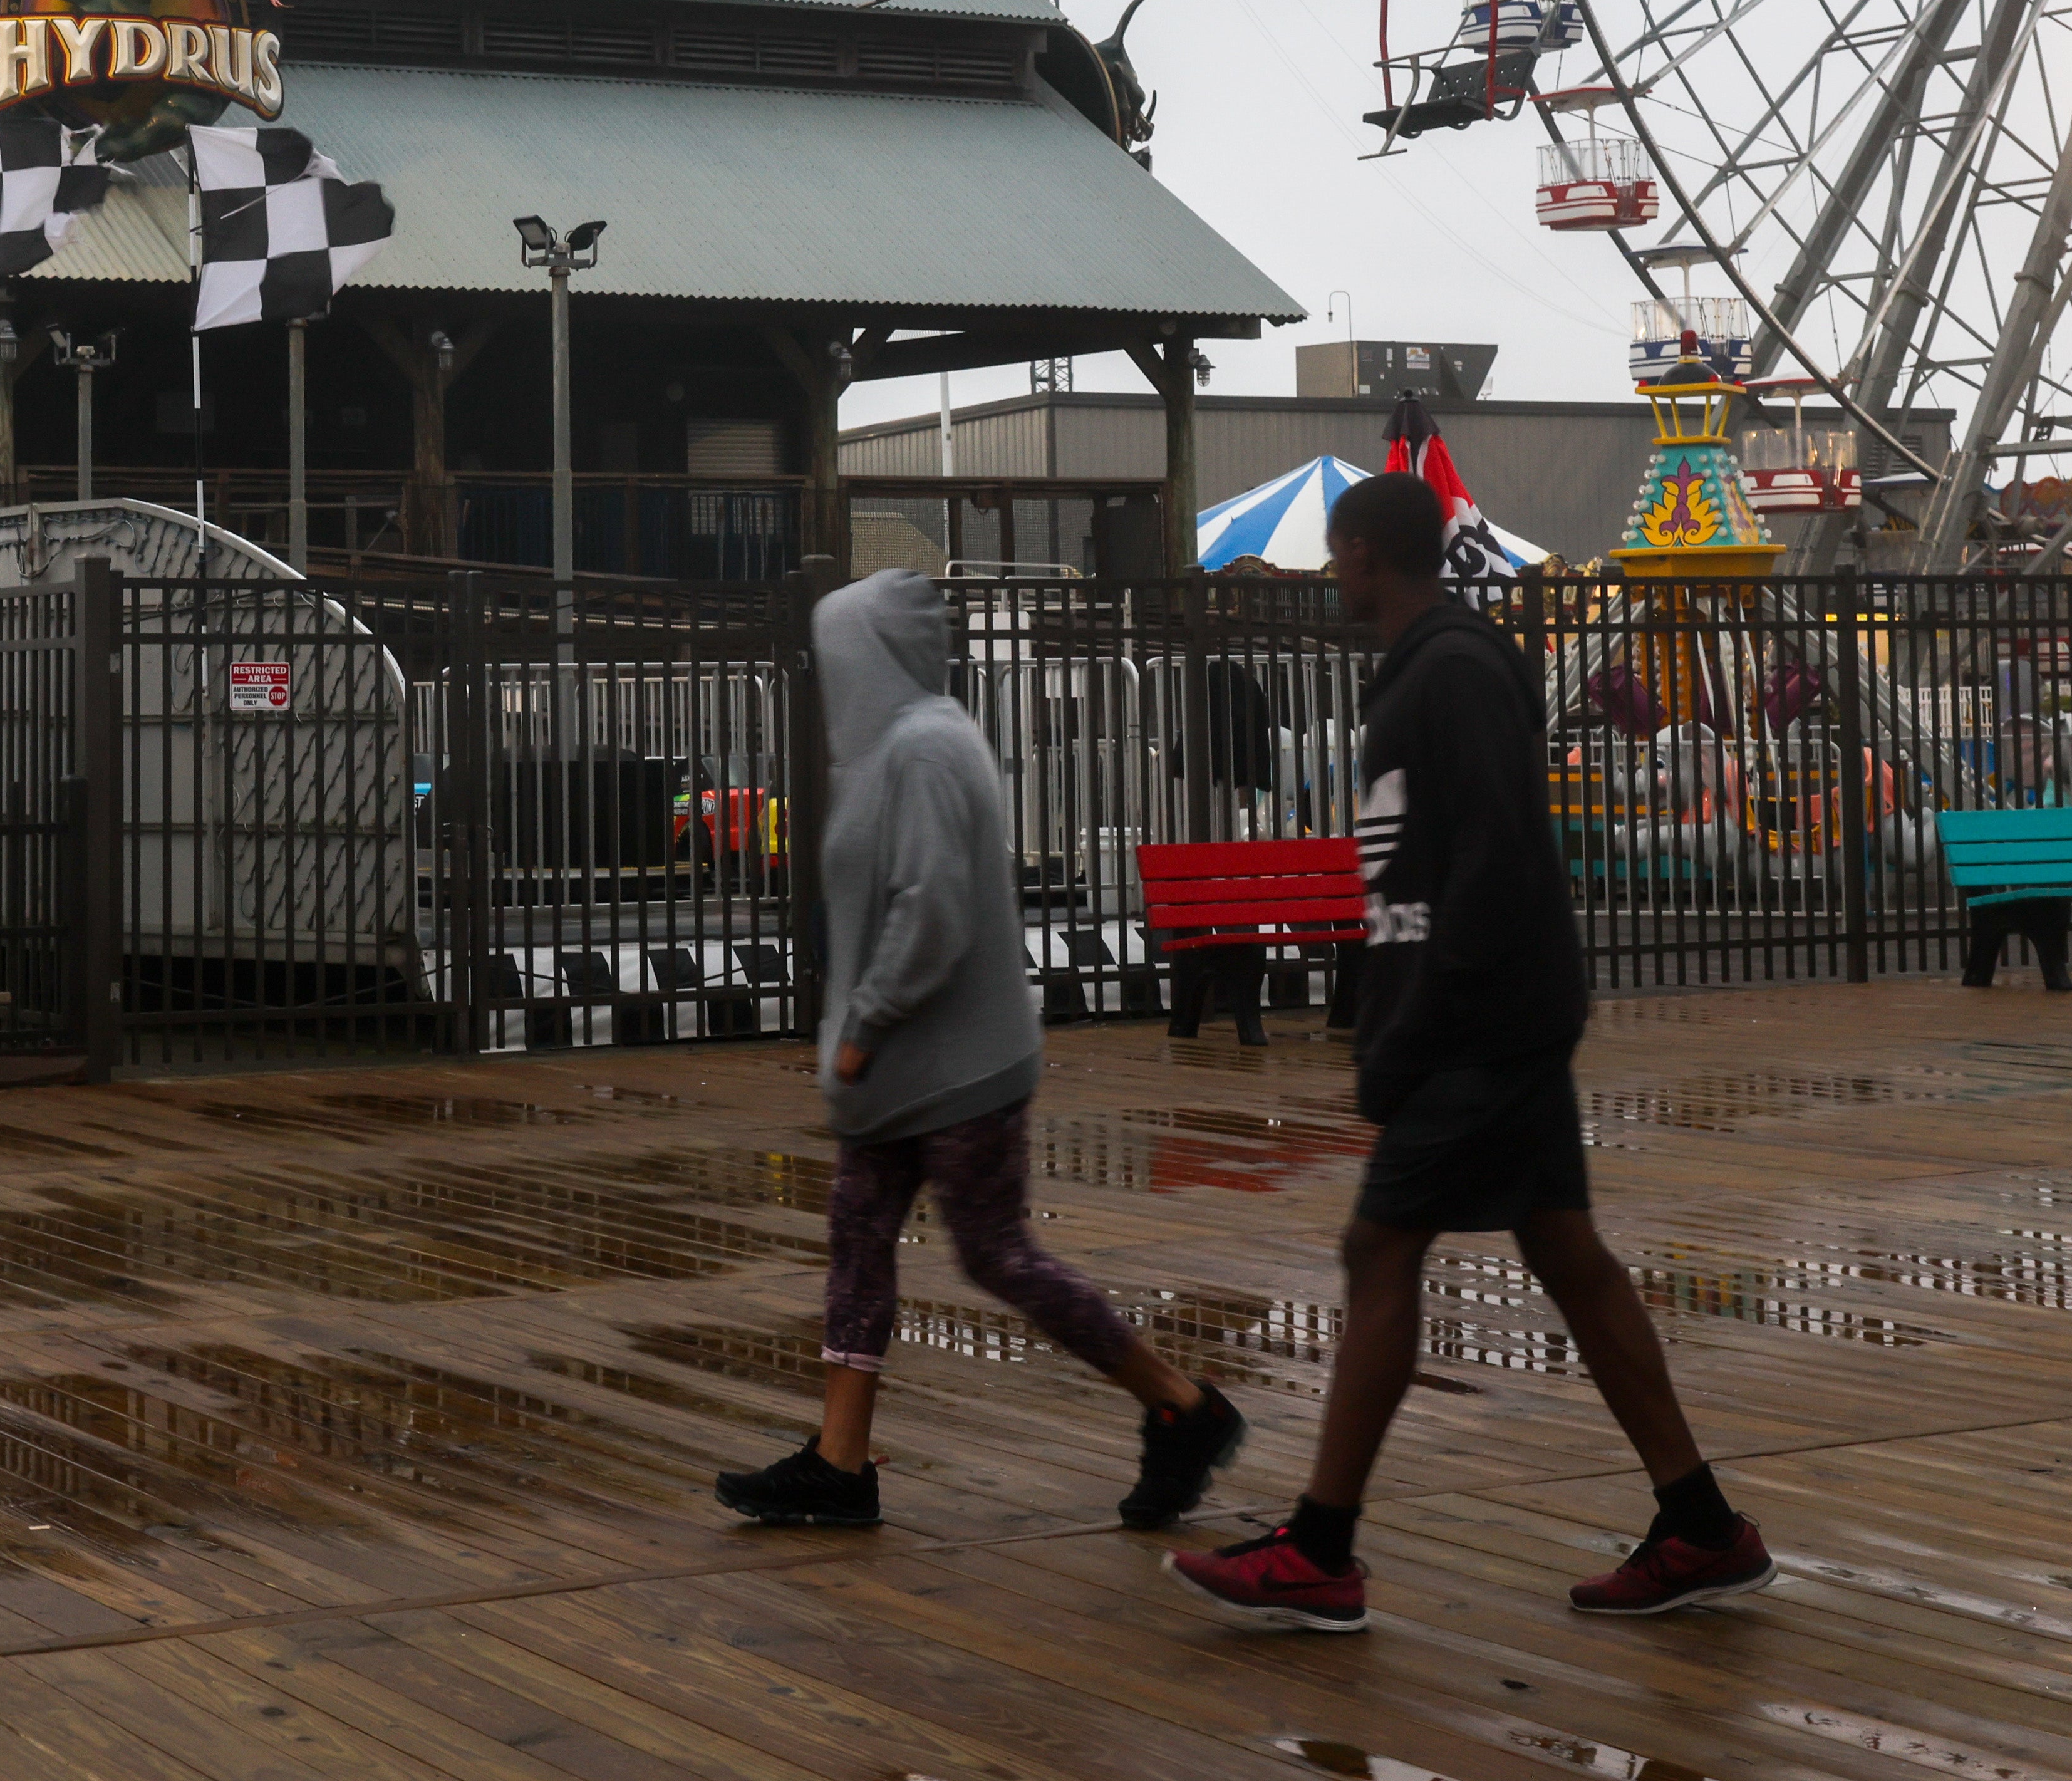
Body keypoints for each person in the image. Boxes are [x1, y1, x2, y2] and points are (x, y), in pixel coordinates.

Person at [1169, 472, 1775, 1633]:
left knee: (1378, 1247)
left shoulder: (1450, 671)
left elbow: (1494, 860)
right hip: (1500, 1016)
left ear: (1360, 555)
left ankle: (1321, 1550)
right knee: (1568, 1254)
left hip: (1479, 1024)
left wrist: (1421, 1022)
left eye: (1336, 557)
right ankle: (1701, 1526)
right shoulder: (1440, 664)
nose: (1329, 574)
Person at [718, 569, 1246, 1531]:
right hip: (898, 1069)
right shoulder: (889, 750)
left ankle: (1181, 1405)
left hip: (953, 1064)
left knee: (997, 1255)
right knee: (859, 1241)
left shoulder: (923, 748)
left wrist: (864, 1026)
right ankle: (840, 1462)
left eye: (838, 654)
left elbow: (931, 913)